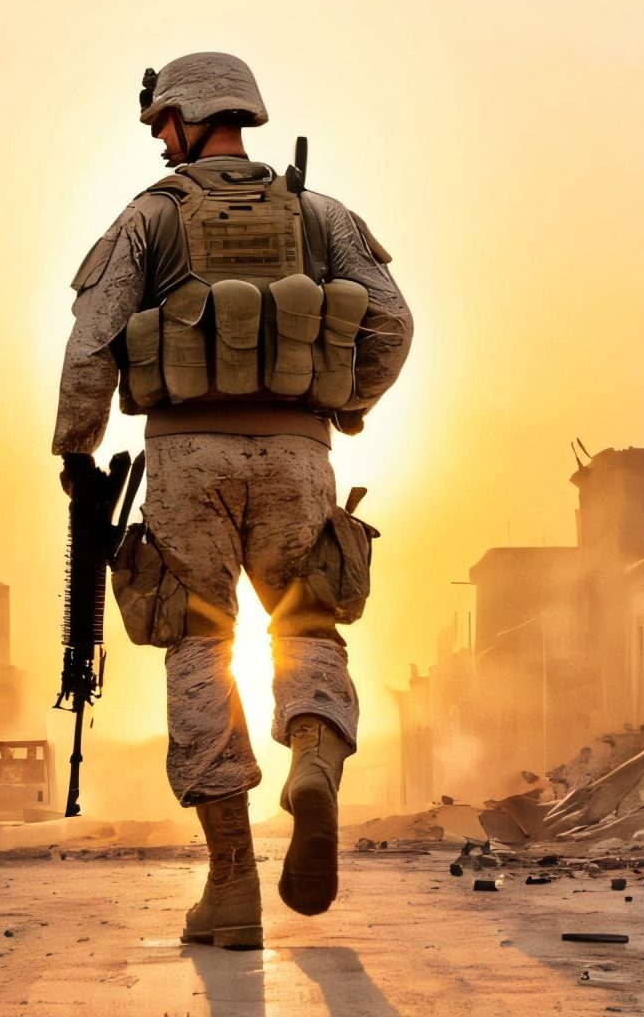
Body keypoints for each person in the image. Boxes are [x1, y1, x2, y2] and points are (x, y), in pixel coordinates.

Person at [53, 51, 412, 949]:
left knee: (198, 644)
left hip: (185, 459)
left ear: (183, 116)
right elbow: (394, 322)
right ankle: (315, 763)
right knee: (308, 627)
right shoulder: (318, 214)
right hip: (299, 455)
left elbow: (93, 339)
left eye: (159, 123)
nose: (157, 140)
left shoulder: (150, 217)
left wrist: (78, 452)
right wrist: (349, 404)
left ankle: (233, 886)